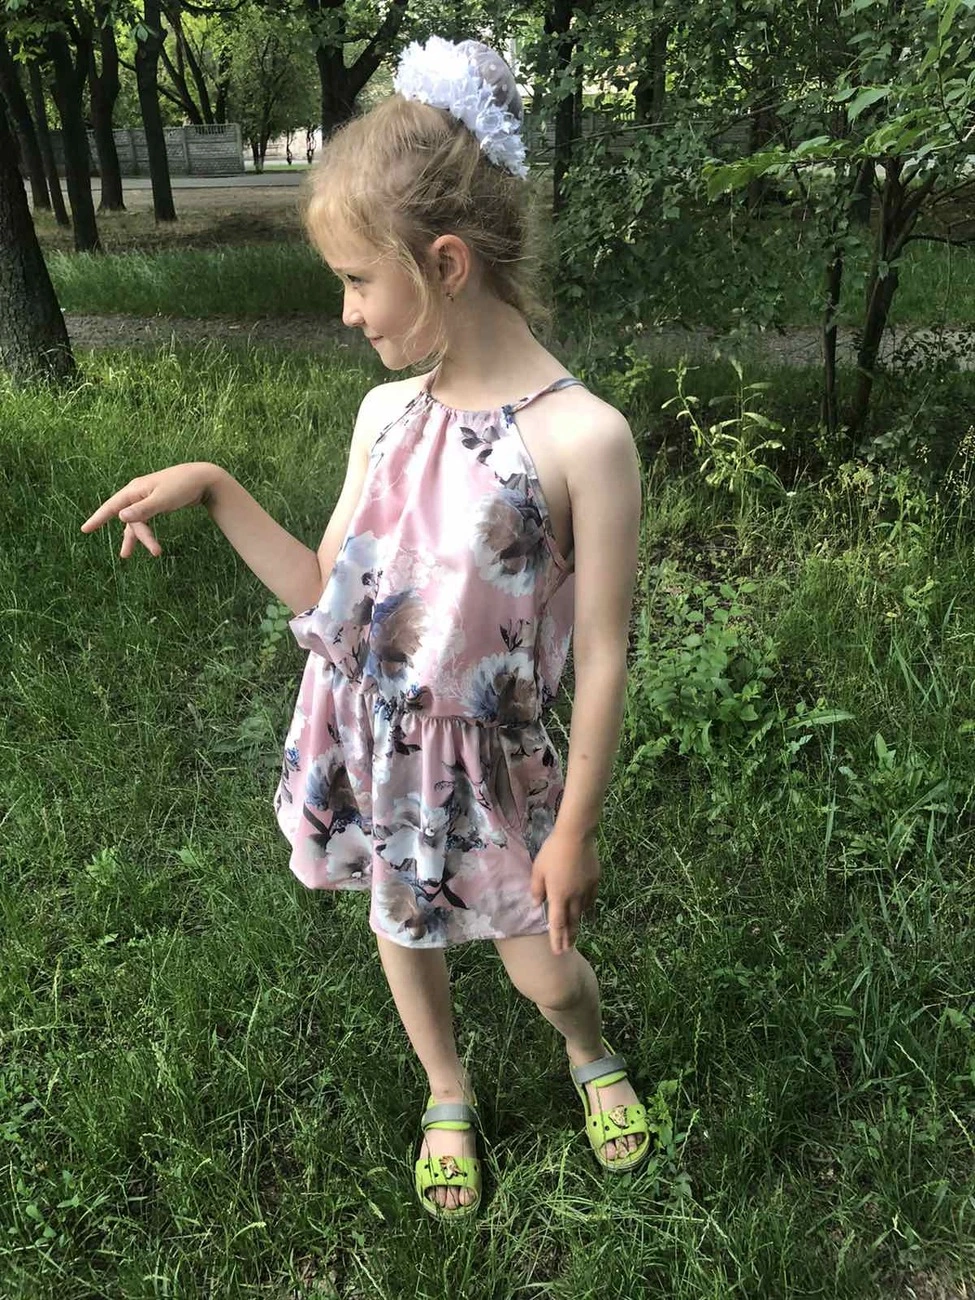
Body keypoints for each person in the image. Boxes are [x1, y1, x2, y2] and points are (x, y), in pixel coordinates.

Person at [81, 36, 648, 1219]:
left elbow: (603, 654)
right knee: (406, 930)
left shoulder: (583, 440)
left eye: (355, 280)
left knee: (546, 971)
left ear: (444, 264)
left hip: (492, 770)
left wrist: (576, 828)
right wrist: (215, 487)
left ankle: (588, 1050)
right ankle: (446, 1087)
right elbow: (325, 599)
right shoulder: (385, 416)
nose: (344, 312)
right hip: (379, 753)